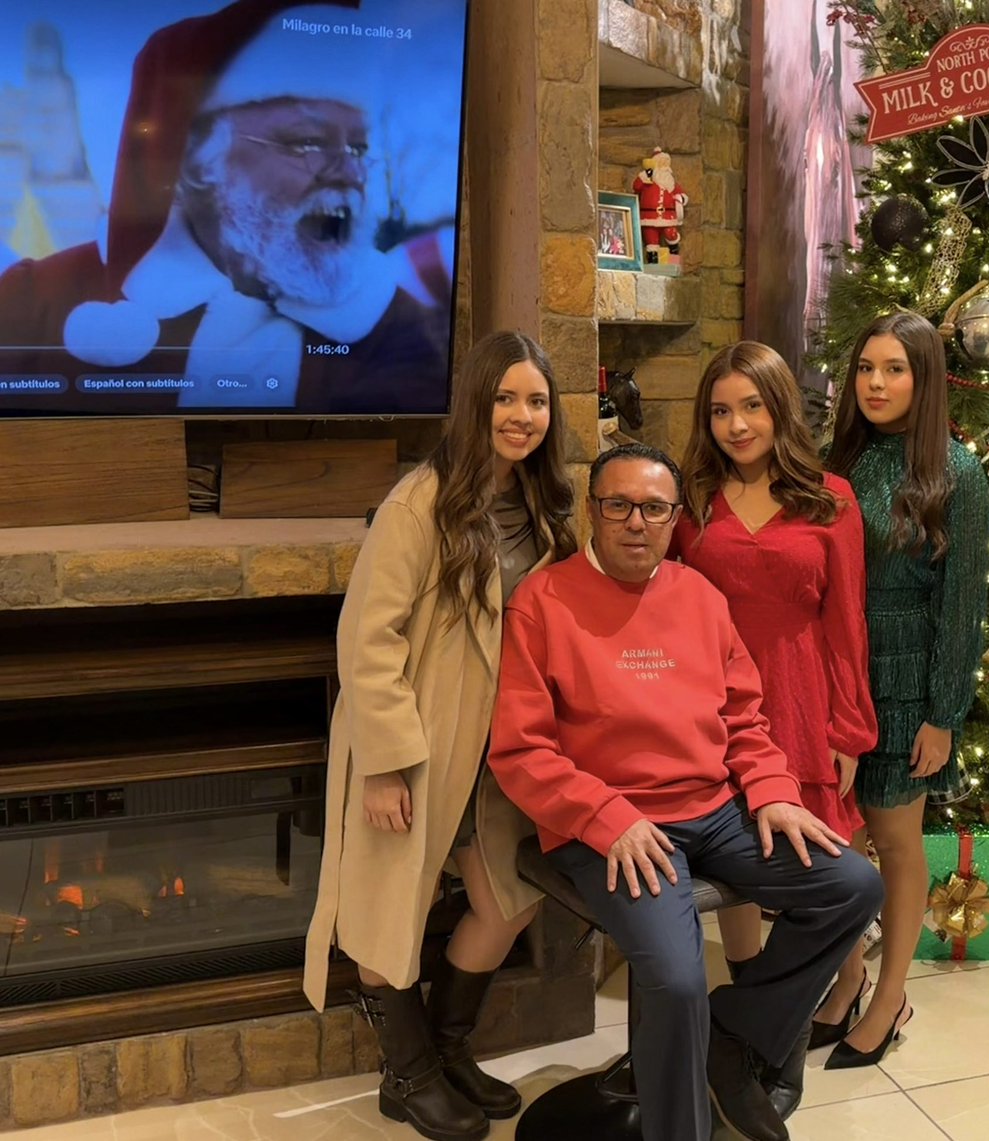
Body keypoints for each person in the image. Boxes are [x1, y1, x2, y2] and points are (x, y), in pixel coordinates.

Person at [488, 442, 883, 1141]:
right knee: (675, 979)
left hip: (716, 809)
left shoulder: (699, 595)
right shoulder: (541, 602)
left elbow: (743, 716)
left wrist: (772, 789)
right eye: (618, 505)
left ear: (674, 518)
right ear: (593, 510)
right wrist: (607, 816)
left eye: (654, 508)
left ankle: (732, 1033)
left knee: (852, 884)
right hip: (609, 826)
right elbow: (520, 752)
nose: (635, 522)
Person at [303, 330, 576, 1141]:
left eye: (536, 400)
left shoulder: (545, 505)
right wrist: (385, 767)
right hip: (419, 746)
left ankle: (448, 1046)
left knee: (506, 903)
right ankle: (409, 1070)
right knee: (392, 910)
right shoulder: (419, 502)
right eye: (505, 398)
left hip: (502, 754)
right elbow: (368, 638)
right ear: (474, 404)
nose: (521, 416)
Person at [0, 1, 455, 414]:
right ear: (197, 162)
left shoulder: (397, 329)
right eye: (308, 142)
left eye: (357, 148)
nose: (348, 173)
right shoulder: (36, 302)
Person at [673, 340, 877, 1117]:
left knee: (817, 871)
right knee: (743, 878)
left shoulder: (832, 500)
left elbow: (846, 620)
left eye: (751, 406)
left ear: (780, 407)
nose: (736, 424)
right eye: (721, 410)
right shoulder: (692, 503)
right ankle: (752, 1038)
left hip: (803, 699)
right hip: (716, 708)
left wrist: (850, 728)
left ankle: (788, 1027)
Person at [821, 311, 989, 1069]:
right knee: (835, 841)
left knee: (893, 843)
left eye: (895, 369)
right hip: (837, 678)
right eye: (866, 369)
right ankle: (847, 974)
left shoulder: (957, 472)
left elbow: (963, 609)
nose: (877, 384)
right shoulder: (840, 462)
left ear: (924, 380)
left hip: (905, 684)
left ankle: (890, 997)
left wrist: (943, 714)